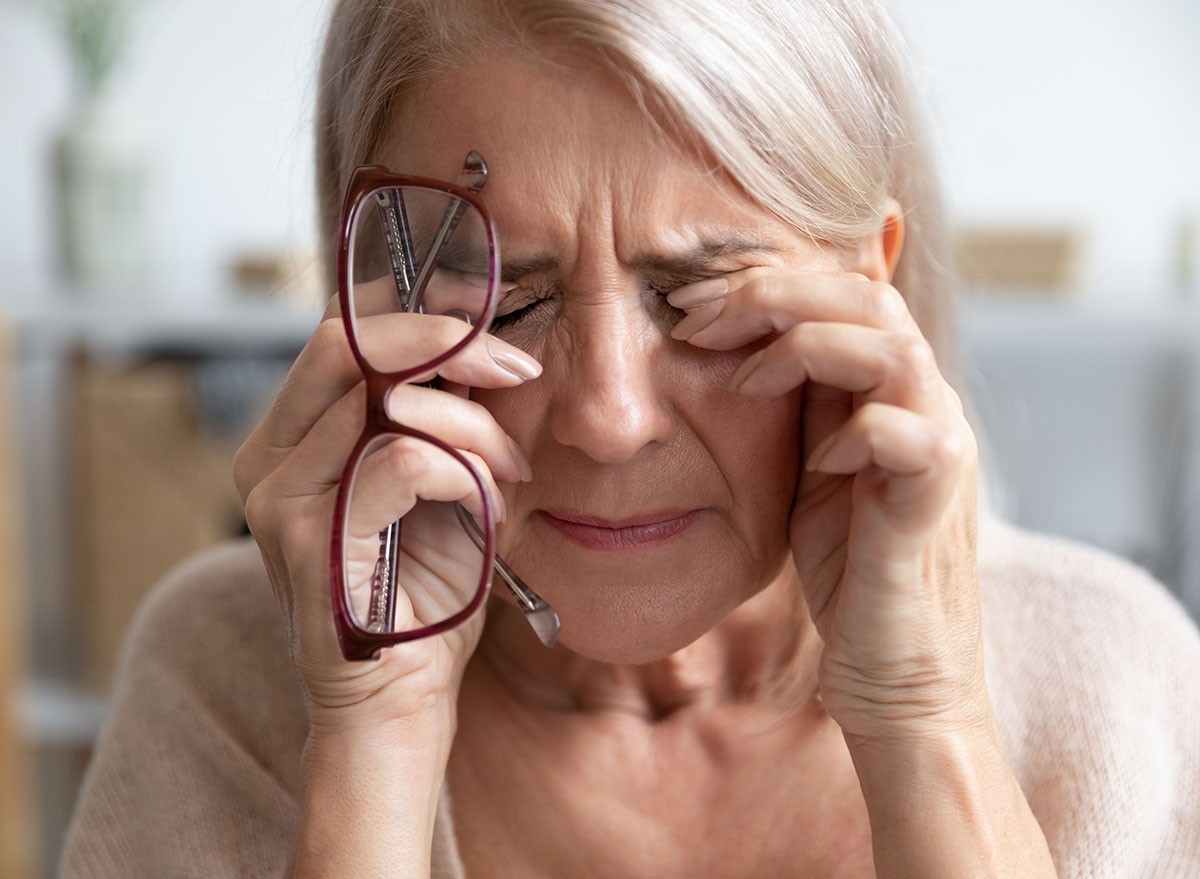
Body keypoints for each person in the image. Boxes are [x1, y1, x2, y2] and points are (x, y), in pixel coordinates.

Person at [61, 0, 1200, 876]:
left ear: (871, 291)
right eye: (509, 300)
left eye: (702, 299)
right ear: (373, 299)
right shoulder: (220, 679)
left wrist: (923, 713)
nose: (607, 420)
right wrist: (370, 746)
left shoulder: (1115, 688)